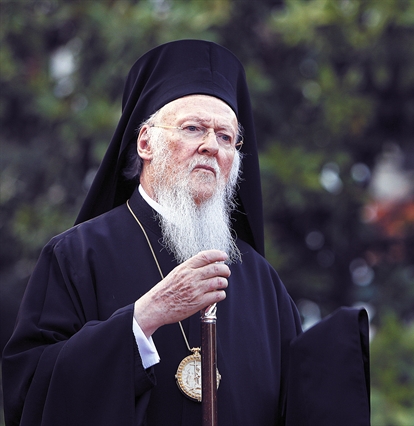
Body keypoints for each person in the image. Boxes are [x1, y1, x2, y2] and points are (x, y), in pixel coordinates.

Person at [2, 39, 370, 426]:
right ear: (146, 142)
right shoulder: (76, 256)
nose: (211, 146)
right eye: (193, 128)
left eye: (226, 137)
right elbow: (31, 392)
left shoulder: (262, 280)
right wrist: (142, 320)